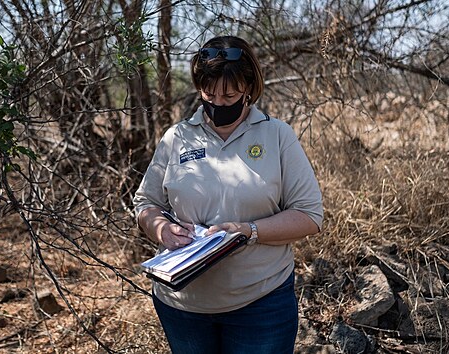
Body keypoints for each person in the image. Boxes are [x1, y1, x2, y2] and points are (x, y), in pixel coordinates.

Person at [133, 35, 323, 354]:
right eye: (210, 93)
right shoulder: (176, 137)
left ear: (248, 87)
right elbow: (146, 203)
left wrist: (248, 232)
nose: (219, 103)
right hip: (182, 307)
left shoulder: (277, 135)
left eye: (230, 94)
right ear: (198, 88)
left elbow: (309, 215)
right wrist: (161, 229)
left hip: (261, 306)